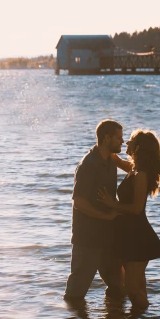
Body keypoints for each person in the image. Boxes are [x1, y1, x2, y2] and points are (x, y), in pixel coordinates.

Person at [99, 129, 160, 310]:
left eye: (129, 141)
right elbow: (116, 160)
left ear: (138, 148)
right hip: (128, 234)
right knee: (138, 285)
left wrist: (111, 203)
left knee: (131, 288)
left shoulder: (141, 175)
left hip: (138, 236)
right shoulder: (134, 169)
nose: (126, 144)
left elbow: (137, 209)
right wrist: (104, 142)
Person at [63, 119, 124, 301]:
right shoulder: (88, 165)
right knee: (76, 293)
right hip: (87, 239)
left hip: (108, 237)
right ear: (107, 138)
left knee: (117, 287)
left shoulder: (110, 161)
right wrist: (106, 216)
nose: (122, 142)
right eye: (119, 138)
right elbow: (79, 202)